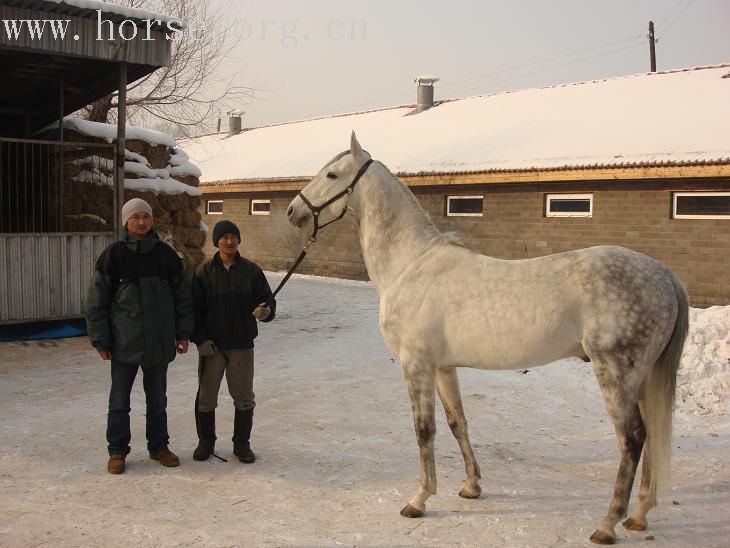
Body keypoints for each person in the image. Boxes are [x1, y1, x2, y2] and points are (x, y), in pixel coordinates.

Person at [86, 198, 194, 475]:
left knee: (157, 400)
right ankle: (117, 451)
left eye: (146, 216)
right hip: (124, 344)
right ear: (126, 222)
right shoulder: (113, 256)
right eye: (136, 217)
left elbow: (183, 299)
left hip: (158, 343)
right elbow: (97, 301)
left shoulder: (167, 256)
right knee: (120, 401)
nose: (142, 222)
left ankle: (159, 447)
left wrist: (183, 333)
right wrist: (101, 339)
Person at [191, 219, 275, 463]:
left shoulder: (251, 271)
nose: (229, 241)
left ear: (239, 240)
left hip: (241, 345)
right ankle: (205, 443)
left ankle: (242, 445)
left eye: (233, 237)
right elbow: (194, 310)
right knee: (206, 397)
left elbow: (267, 300)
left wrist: (265, 310)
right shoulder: (203, 272)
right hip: (212, 347)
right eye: (224, 237)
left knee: (244, 397)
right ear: (216, 241)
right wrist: (201, 339)